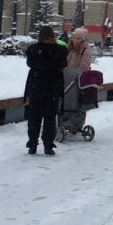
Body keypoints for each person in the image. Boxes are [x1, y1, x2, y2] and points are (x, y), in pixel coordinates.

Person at [24, 25, 68, 155]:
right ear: (52, 36)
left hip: (36, 86)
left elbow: (30, 64)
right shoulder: (60, 51)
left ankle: (32, 144)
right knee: (49, 117)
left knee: (34, 117)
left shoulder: (33, 50)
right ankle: (48, 145)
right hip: (52, 87)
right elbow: (63, 65)